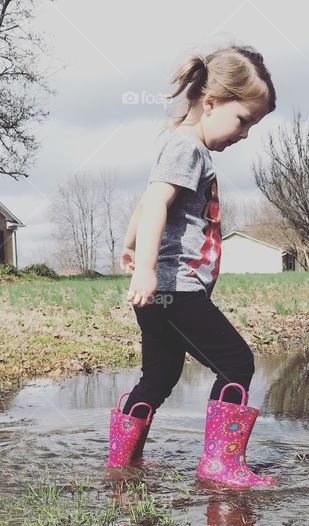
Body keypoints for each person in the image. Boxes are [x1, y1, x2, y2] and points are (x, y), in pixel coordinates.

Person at [107, 45, 276, 488]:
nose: (244, 134)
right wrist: (144, 267)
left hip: (162, 290)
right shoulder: (189, 149)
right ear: (212, 102)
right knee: (236, 363)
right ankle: (220, 464)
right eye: (243, 121)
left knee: (160, 377)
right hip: (175, 289)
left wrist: (129, 244)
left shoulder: (174, 144)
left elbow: (147, 199)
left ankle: (124, 462)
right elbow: (159, 202)